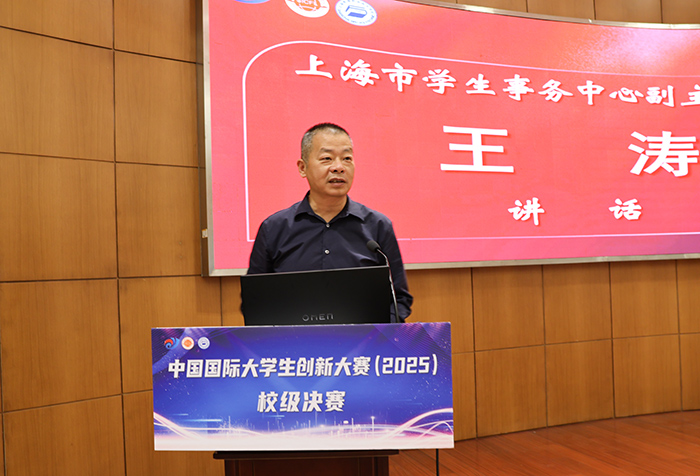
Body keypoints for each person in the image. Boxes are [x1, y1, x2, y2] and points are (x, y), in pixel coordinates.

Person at [247, 123, 412, 322]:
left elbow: (399, 299)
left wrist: (377, 333)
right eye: (327, 158)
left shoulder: (378, 226)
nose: (338, 167)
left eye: (347, 158)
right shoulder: (273, 228)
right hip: (294, 340)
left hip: (364, 340)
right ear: (302, 168)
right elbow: (255, 301)